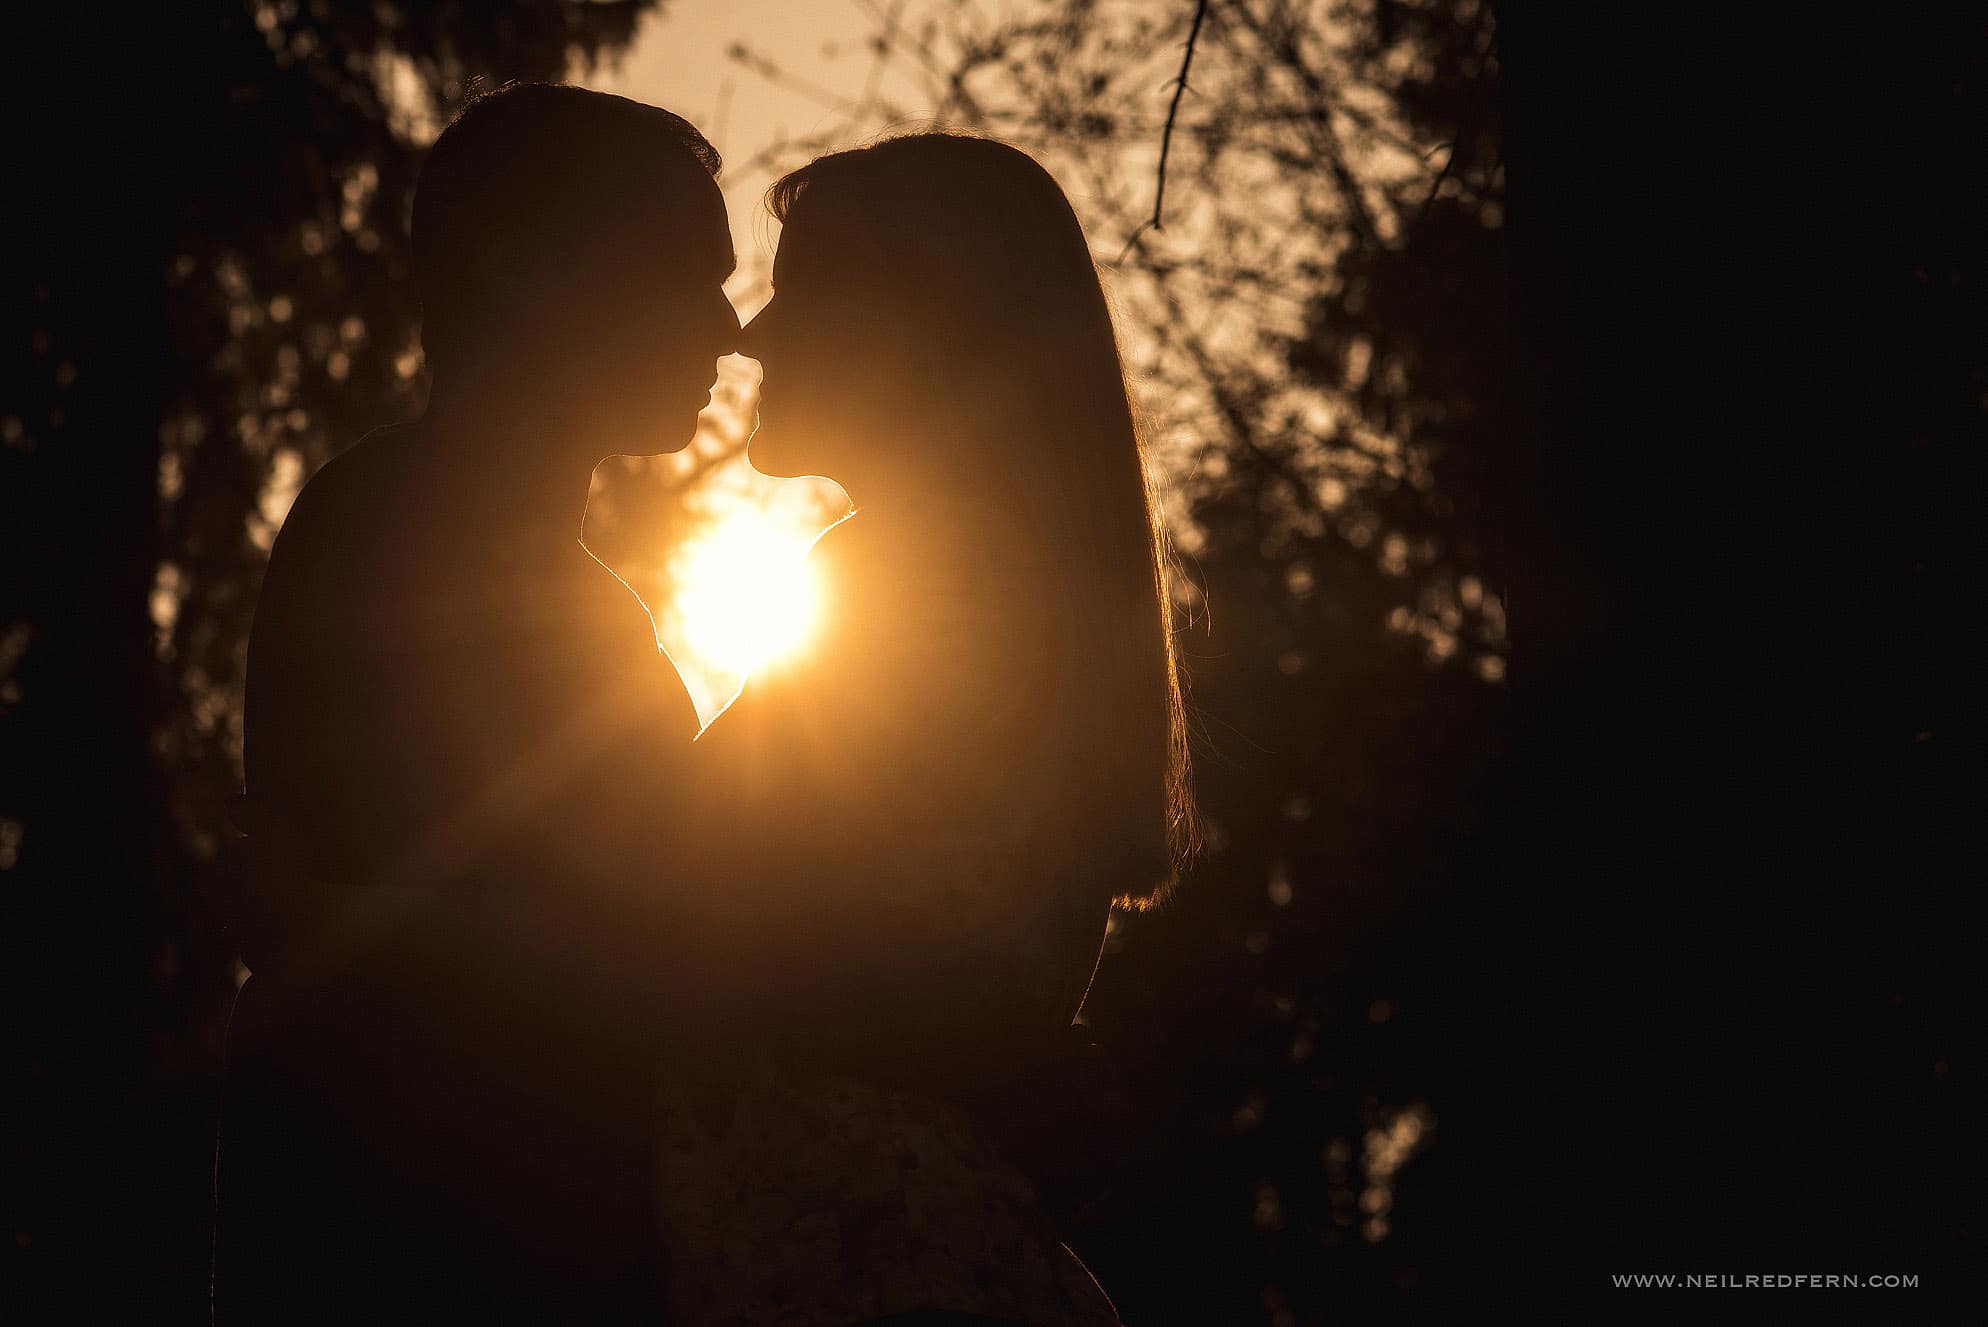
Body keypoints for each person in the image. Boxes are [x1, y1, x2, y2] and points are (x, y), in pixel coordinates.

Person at [215, 83, 737, 1322]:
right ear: (520, 266)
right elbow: (602, 953)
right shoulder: (398, 535)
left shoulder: (545, 579)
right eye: (678, 270)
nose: (725, 328)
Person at [662, 132, 1197, 1326]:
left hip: (854, 1257)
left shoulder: (931, 576)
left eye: (799, 294)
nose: (750, 336)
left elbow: (734, 928)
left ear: (917, 325)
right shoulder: (1010, 575)